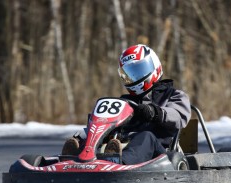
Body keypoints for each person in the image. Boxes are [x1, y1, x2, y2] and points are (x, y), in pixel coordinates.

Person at [62, 44, 191, 165]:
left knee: (147, 137)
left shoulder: (173, 95)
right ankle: (76, 159)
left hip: (159, 152)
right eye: (129, 74)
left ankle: (120, 163)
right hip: (124, 145)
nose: (135, 77)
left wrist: (155, 112)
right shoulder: (125, 101)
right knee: (87, 136)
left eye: (139, 70)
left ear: (154, 66)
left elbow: (179, 116)